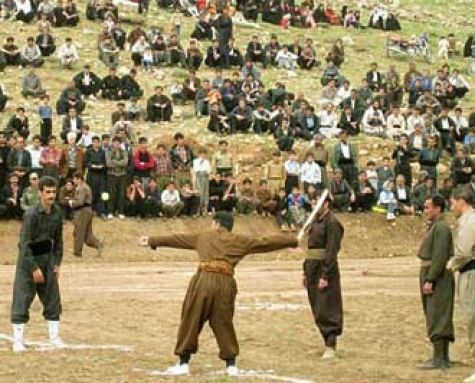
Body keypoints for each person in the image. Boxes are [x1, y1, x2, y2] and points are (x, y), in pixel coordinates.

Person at [138, 211, 298, 375]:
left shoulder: (204, 237)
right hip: (226, 282)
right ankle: (231, 364)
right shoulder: (239, 240)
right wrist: (292, 241)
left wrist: (152, 240)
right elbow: (265, 242)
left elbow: (178, 239)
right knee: (223, 321)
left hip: (203, 280)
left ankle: (183, 362)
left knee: (191, 317)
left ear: (216, 223)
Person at [10, 176, 64, 352]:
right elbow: (24, 244)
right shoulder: (31, 214)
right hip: (29, 260)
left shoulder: (57, 212)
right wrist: (33, 268)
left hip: (47, 258)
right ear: (40, 193)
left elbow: (59, 241)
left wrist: (56, 263)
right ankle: (18, 340)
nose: (51, 195)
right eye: (47, 192)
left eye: (54, 192)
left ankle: (54, 337)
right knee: (22, 298)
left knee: (52, 299)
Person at [302, 194, 344, 359]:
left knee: (327, 305)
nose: (314, 205)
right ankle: (325, 341)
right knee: (317, 306)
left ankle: (331, 345)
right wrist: (305, 271)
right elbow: (310, 248)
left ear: (326, 204)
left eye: (317, 202)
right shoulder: (316, 222)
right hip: (312, 267)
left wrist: (325, 275)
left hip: (324, 268)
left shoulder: (332, 223)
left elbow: (331, 250)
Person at [417, 195, 454, 370]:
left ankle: (440, 358)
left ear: (438, 208)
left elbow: (440, 256)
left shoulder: (441, 228)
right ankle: (441, 356)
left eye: (428, 207)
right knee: (434, 312)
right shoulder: (436, 227)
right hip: (431, 272)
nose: (425, 211)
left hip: (436, 275)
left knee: (438, 313)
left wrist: (430, 279)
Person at [447, 188, 475, 382]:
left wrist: (450, 265)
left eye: (453, 202)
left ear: (462, 201)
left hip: (471, 273)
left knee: (473, 317)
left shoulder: (469, 222)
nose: (451, 207)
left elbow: (464, 252)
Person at [69, 172, 103, 258]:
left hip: (82, 211)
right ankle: (98, 244)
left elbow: (80, 202)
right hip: (86, 210)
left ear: (79, 179)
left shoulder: (82, 188)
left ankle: (77, 252)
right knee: (87, 235)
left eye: (75, 179)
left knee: (79, 232)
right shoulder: (84, 187)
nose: (74, 181)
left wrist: (71, 202)